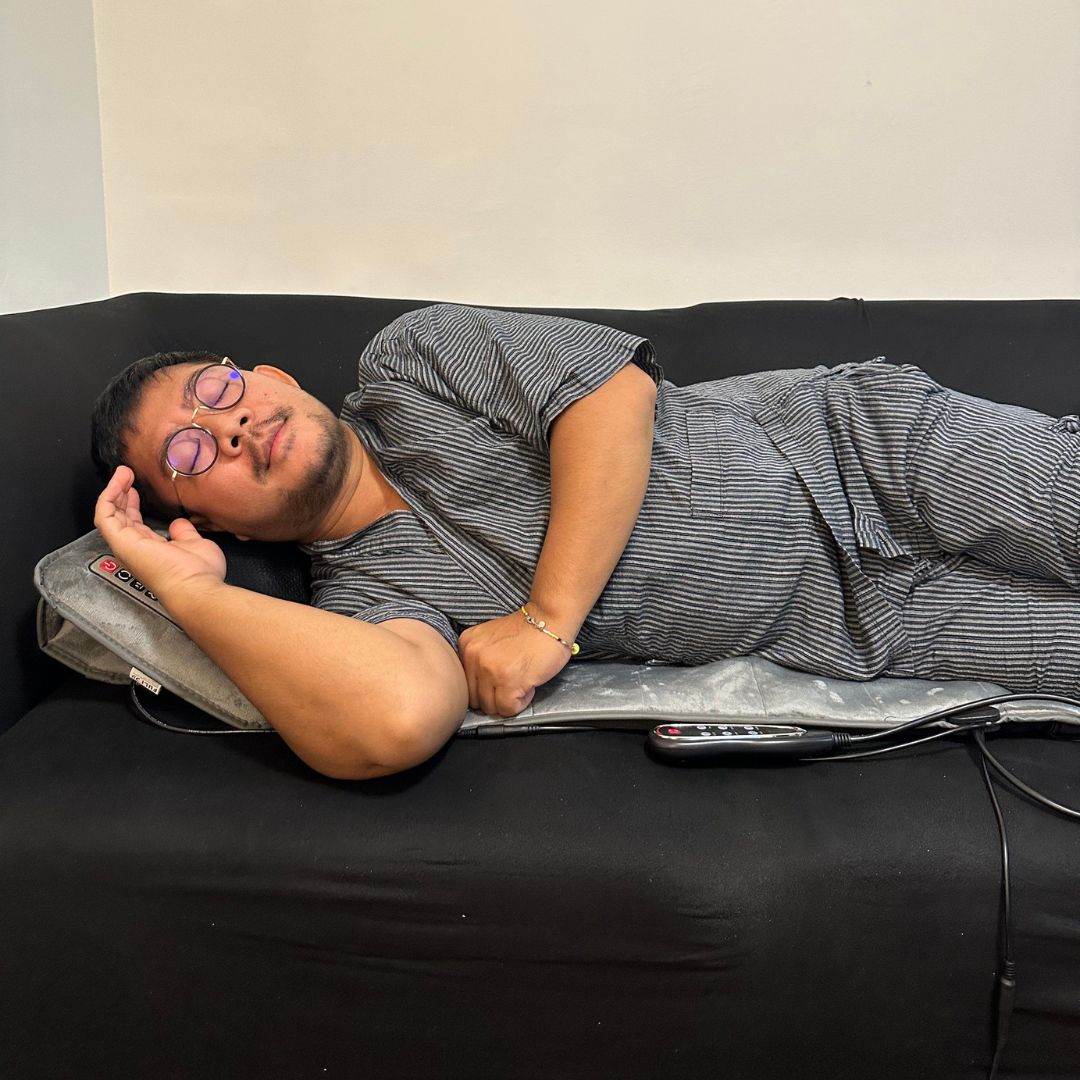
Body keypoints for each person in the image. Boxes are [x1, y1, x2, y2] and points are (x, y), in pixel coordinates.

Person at [92, 303, 1080, 780]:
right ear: (211, 522)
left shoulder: (409, 360)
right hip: (859, 627)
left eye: (217, 391)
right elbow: (395, 717)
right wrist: (192, 594)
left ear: (268, 376)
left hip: (864, 449)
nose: (227, 426)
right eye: (190, 451)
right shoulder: (360, 602)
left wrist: (546, 620)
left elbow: (609, 395)